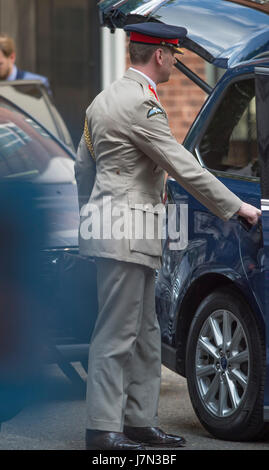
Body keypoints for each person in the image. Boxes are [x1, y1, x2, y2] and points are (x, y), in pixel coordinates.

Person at [75, 22, 261, 450]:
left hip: (121, 232)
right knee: (117, 334)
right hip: (127, 234)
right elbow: (184, 166)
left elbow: (82, 169)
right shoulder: (140, 104)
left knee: (144, 334)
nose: (176, 60)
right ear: (158, 54)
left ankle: (139, 423)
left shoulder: (102, 101)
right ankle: (103, 429)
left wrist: (94, 218)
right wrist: (237, 206)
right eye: (173, 53)